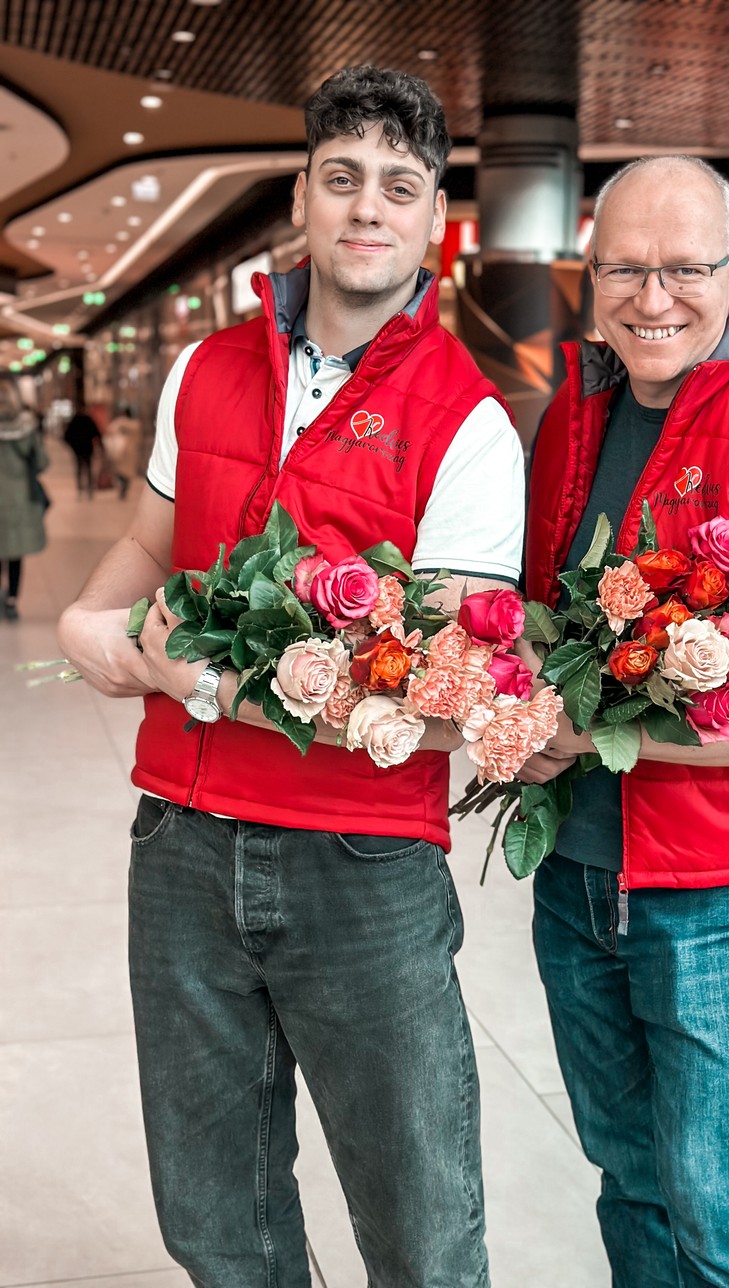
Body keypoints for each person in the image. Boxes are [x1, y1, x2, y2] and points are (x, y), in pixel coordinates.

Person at [58, 65, 525, 1288]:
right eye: (342, 178)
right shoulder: (204, 372)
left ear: (434, 222)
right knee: (220, 1222)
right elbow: (144, 552)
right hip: (182, 847)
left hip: (359, 865)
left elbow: (435, 697)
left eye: (400, 186)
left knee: (421, 1227)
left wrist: (200, 682)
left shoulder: (468, 423)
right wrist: (88, 626)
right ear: (303, 201)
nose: (368, 207)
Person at [520, 156, 729, 1288]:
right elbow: (544, 605)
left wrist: (591, 735)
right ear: (591, 271)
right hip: (577, 868)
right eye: (624, 266)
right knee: (628, 1173)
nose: (651, 297)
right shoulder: (578, 407)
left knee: (715, 1204)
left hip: (715, 888)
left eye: (683, 269)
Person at [0, 379, 48, 622]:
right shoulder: (26, 427)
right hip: (20, 497)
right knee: (15, 552)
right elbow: (41, 462)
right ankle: (11, 600)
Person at [102, 403, 142, 499]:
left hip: (120, 451)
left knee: (120, 471)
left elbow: (110, 431)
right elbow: (138, 438)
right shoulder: (136, 425)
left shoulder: (119, 423)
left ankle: (121, 487)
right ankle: (124, 488)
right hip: (131, 452)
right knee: (127, 472)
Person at [63, 405, 101, 497]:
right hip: (87, 449)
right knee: (88, 469)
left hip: (78, 449)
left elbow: (66, 436)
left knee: (80, 469)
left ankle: (80, 488)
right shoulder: (88, 420)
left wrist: (73, 445)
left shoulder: (74, 421)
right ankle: (88, 489)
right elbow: (97, 433)